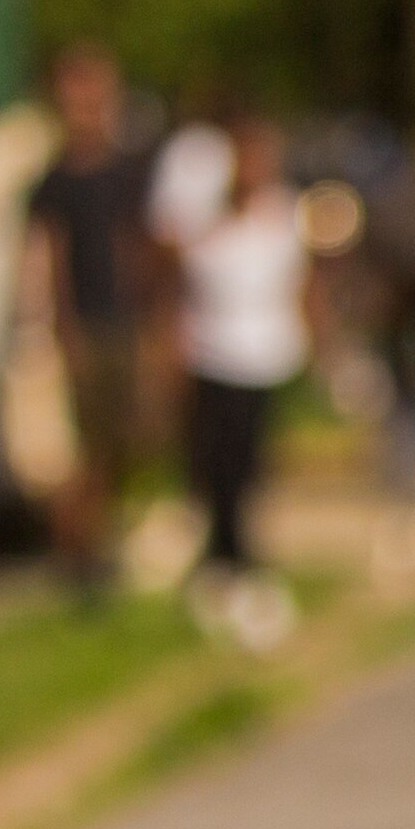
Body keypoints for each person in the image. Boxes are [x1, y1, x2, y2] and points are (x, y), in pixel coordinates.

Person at [157, 109, 312, 644]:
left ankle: (242, 559)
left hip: (265, 356)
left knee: (248, 463)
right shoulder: (206, 221)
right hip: (212, 355)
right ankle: (221, 559)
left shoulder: (285, 216)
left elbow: (300, 284)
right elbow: (178, 275)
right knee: (213, 462)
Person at [20, 41, 161, 592]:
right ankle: (81, 554)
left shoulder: (127, 173)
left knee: (125, 441)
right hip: (82, 326)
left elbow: (141, 251)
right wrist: (60, 330)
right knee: (83, 447)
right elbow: (47, 259)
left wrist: (152, 327)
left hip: (123, 323)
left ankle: (102, 542)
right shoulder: (55, 180)